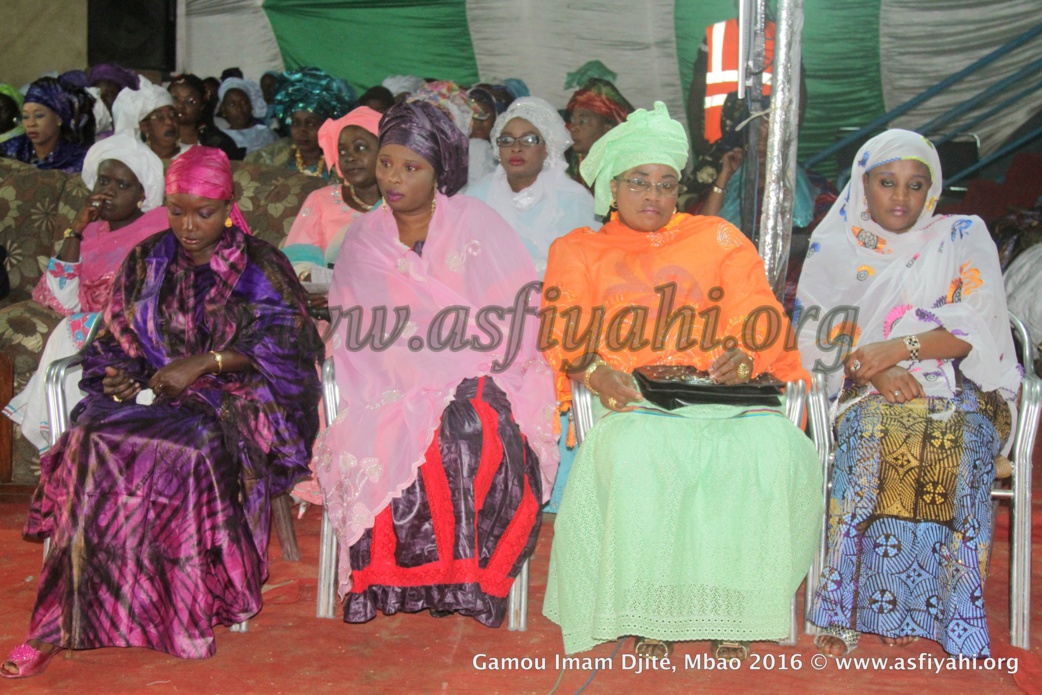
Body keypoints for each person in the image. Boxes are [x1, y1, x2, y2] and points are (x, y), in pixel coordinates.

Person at [0, 146, 323, 679]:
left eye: (204, 212)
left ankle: (178, 613)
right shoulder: (149, 257)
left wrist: (205, 363)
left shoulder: (260, 263)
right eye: (177, 210)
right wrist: (119, 374)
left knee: (187, 445)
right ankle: (57, 621)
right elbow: (116, 339)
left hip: (235, 399)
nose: (189, 225)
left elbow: (290, 344)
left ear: (228, 206)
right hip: (154, 397)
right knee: (87, 434)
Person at [540, 102, 822, 660]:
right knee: (643, 452)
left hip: (720, 399)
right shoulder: (578, 250)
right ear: (611, 189)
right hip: (637, 403)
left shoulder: (716, 237)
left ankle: (736, 607)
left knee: (770, 448)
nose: (653, 195)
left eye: (666, 184)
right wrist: (595, 371)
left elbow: (762, 317)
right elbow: (562, 334)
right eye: (639, 182)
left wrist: (745, 354)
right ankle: (652, 613)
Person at [314, 101, 558, 627]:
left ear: (440, 171)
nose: (393, 179)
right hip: (385, 377)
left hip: (479, 369)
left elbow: (514, 316)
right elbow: (357, 332)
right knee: (390, 431)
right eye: (386, 164)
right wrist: (412, 369)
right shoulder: (363, 239)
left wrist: (455, 360)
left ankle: (469, 582)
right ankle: (393, 583)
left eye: (411, 168)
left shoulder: (475, 223)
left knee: (473, 428)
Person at [797, 129, 1022, 658]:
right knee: (875, 438)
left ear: (933, 191)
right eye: (886, 183)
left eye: (915, 185)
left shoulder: (963, 233)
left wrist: (899, 347)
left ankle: (949, 617)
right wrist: (873, 370)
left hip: (966, 384)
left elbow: (977, 326)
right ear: (862, 186)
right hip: (865, 385)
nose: (901, 197)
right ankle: (848, 607)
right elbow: (817, 339)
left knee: (955, 441)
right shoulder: (835, 245)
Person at [3, 133, 168, 452]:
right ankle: (69, 450)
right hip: (89, 331)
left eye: (123, 185)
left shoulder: (158, 226)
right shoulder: (89, 233)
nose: (109, 191)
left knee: (74, 330)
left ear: (141, 194)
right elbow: (59, 300)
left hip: (138, 333)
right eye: (103, 181)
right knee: (72, 327)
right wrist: (76, 229)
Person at [282, 106, 382, 276]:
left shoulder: (403, 203)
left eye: (360, 147)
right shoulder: (321, 200)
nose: (349, 157)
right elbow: (298, 259)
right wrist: (310, 282)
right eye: (342, 151)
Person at [245, 67, 354, 179]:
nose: (302, 131)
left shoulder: (344, 163)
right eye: (296, 123)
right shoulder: (271, 160)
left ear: (326, 126)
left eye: (311, 124)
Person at [0, 77, 95, 173]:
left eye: (39, 115)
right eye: (25, 117)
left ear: (59, 117)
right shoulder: (9, 151)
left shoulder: (79, 160)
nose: (31, 123)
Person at [563, 75, 633, 185]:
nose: (573, 127)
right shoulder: (566, 167)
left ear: (608, 127)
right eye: (572, 120)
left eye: (583, 121)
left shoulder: (626, 172)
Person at [169, 74, 243, 160]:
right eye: (174, 98)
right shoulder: (153, 138)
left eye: (190, 101)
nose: (180, 105)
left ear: (201, 106)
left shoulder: (218, 143)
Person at [111, 76, 187, 160]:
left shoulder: (194, 156)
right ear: (144, 126)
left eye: (173, 114)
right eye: (159, 117)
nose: (169, 121)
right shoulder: (136, 160)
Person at [218, 77, 278, 155]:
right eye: (232, 104)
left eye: (243, 102)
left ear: (251, 105)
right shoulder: (221, 140)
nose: (239, 108)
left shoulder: (266, 134)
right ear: (223, 109)